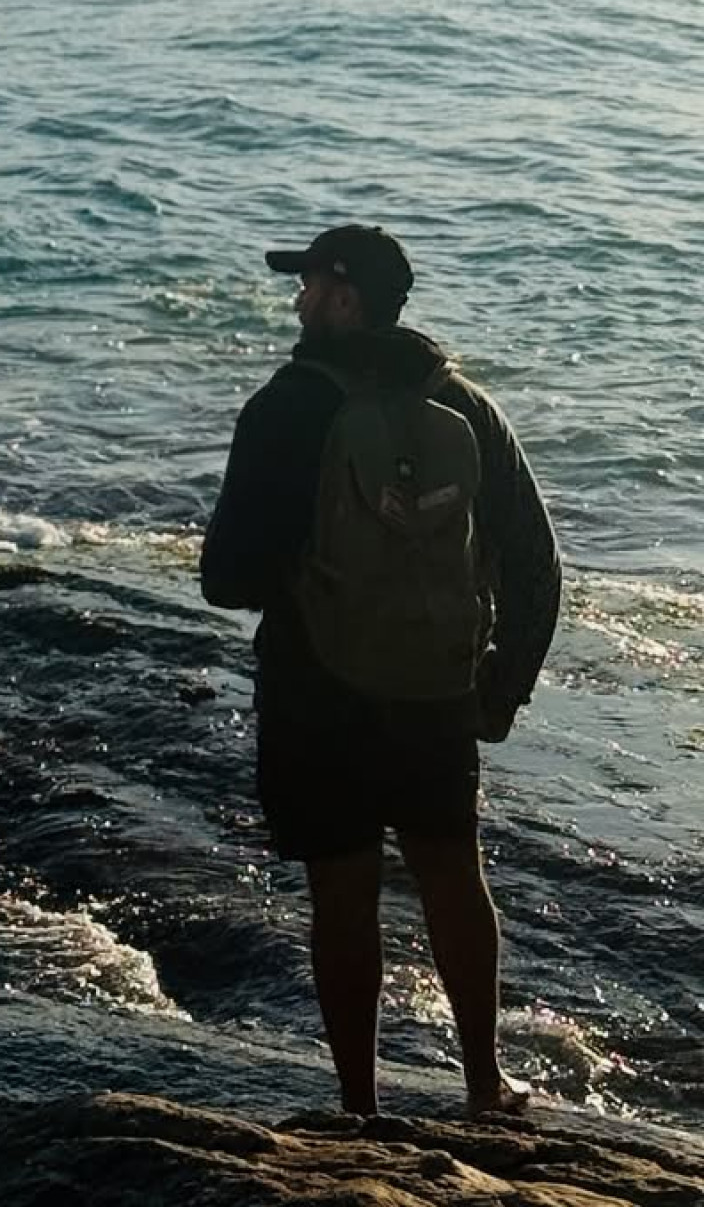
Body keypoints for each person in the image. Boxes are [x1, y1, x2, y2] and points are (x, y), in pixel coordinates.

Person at [201, 224, 560, 1122]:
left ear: (346, 298)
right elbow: (536, 562)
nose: (298, 301)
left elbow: (225, 579)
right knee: (452, 874)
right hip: (437, 692)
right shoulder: (465, 405)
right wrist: (497, 689)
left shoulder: (287, 406)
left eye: (311, 286)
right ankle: (485, 1085)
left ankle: (359, 1111)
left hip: (318, 689)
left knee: (344, 894)